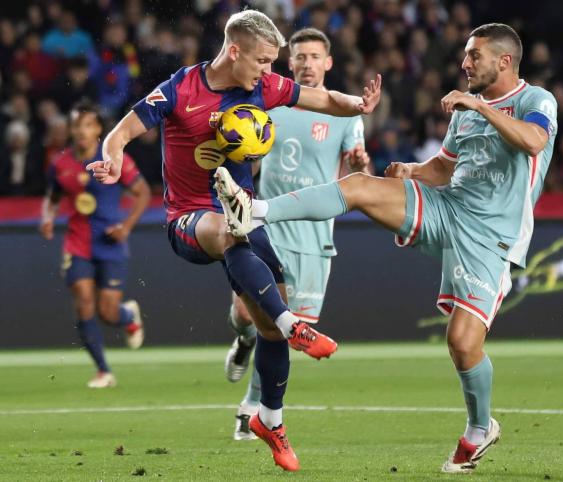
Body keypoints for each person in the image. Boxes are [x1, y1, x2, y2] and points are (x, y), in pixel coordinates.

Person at [216, 23, 557, 474]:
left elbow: (534, 141)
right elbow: (443, 168)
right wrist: (411, 171)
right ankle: (255, 211)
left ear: (505, 61)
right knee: (359, 186)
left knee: (461, 343)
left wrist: (478, 104)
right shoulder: (465, 113)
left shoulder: (535, 101)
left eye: (474, 56)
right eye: (466, 55)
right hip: (447, 207)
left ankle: (480, 428)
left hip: (492, 236)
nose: (465, 63)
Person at [87, 10, 381, 472]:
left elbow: (322, 99)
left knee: (262, 323)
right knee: (232, 234)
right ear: (235, 50)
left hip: (244, 219)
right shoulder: (181, 88)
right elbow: (122, 132)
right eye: (264, 61)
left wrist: (358, 106)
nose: (271, 72)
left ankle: (272, 420)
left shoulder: (263, 88)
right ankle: (294, 327)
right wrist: (110, 159)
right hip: (189, 221)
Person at [223, 27, 371, 441]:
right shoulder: (267, 101)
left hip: (313, 236)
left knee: (285, 331)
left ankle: (251, 407)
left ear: (328, 63)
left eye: (314, 57)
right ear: (290, 62)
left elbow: (356, 166)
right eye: (300, 57)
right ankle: (244, 340)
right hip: (264, 226)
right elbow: (247, 159)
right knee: (245, 316)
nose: (307, 64)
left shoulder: (343, 112)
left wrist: (359, 159)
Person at [40, 100, 151, 388]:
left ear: (98, 129)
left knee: (107, 312)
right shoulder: (60, 164)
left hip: (110, 243)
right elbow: (52, 198)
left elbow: (142, 193)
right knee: (83, 301)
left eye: (87, 125)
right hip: (77, 243)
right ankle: (104, 370)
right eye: (76, 125)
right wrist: (48, 218)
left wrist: (125, 227)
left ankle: (128, 315)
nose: (81, 131)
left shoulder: (114, 159)